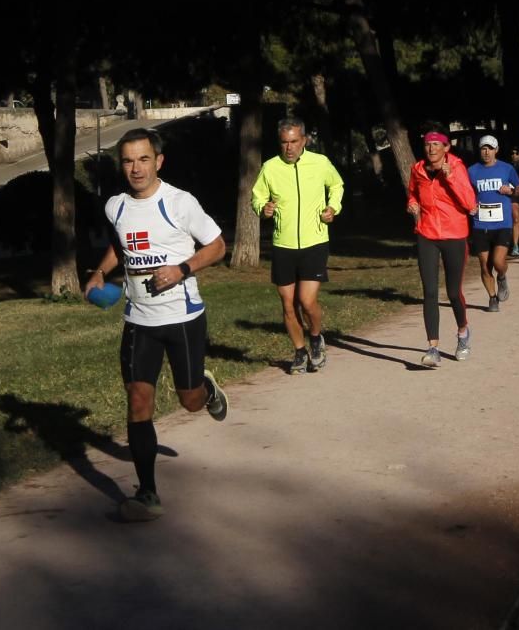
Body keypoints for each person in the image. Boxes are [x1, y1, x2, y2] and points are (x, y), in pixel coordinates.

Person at [84, 127, 228, 522]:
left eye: (143, 159)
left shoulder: (180, 203)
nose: (136, 168)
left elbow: (217, 246)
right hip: (138, 320)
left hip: (182, 319)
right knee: (138, 401)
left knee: (189, 401)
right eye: (128, 160)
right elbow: (121, 245)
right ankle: (148, 493)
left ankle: (206, 388)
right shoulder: (115, 206)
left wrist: (182, 269)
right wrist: (100, 272)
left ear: (158, 161)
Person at [251, 117, 344, 374]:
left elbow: (336, 185)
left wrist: (332, 208)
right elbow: (257, 197)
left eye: (294, 141)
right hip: (283, 244)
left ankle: (315, 337)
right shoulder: (270, 168)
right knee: (287, 303)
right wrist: (264, 208)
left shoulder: (320, 163)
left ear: (304, 140)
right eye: (284, 142)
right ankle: (300, 351)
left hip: (315, 241)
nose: (289, 148)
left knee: (306, 300)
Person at [406, 128, 477, 367]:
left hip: (454, 234)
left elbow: (470, 204)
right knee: (430, 292)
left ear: (447, 148)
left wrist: (451, 178)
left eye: (437, 144)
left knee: (454, 292)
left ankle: (463, 333)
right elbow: (412, 194)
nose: (431, 148)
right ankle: (433, 348)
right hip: (427, 234)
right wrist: (413, 205)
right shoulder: (417, 169)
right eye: (428, 144)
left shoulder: (457, 167)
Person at [468, 135, 519, 312]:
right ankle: (492, 298)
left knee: (498, 262)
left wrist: (511, 190)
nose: (486, 152)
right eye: (483, 148)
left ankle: (502, 276)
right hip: (480, 223)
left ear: (496, 150)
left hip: (502, 223)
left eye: (490, 148)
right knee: (485, 265)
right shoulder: (472, 171)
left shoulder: (506, 168)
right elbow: (465, 192)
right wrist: (469, 205)